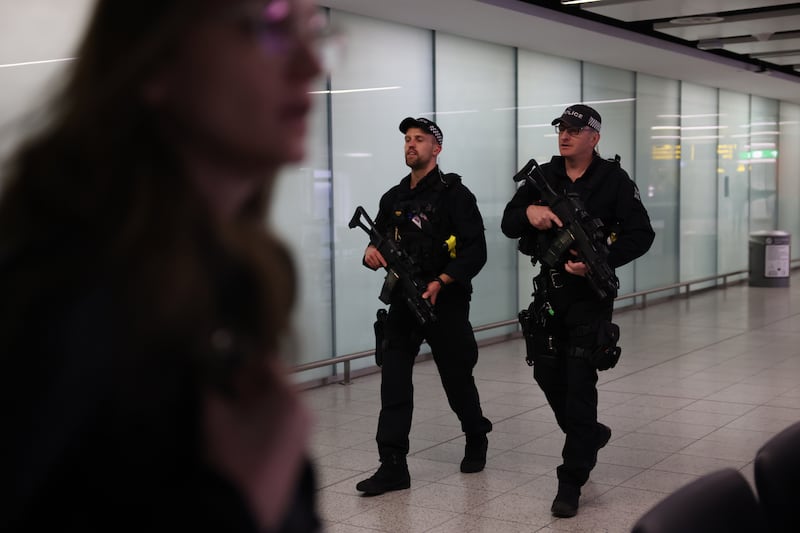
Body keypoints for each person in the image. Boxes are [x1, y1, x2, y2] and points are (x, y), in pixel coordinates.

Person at [0, 1, 324, 531]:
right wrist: (237, 499)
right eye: (269, 27)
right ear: (154, 59)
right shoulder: (60, 300)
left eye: (312, 32)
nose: (311, 64)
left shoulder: (229, 276)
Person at [501, 104, 654, 518]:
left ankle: (570, 482)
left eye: (573, 130)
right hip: (549, 296)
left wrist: (601, 257)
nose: (564, 135)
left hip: (590, 296)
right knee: (547, 374)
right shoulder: (543, 177)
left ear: (594, 138)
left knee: (579, 382)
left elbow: (642, 233)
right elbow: (508, 222)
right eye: (561, 129)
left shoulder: (613, 180)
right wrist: (529, 213)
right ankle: (589, 436)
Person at [355, 117, 493, 496]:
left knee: (456, 377)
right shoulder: (393, 198)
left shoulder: (455, 195)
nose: (410, 145)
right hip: (403, 301)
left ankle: (476, 432)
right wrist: (370, 252)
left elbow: (476, 251)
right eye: (407, 140)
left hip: (444, 302)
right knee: (394, 380)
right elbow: (378, 241)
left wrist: (442, 281)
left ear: (437, 148)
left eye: (419, 139)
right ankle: (393, 465)